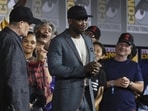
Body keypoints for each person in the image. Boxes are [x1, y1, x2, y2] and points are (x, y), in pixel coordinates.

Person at [47, 5, 101, 111]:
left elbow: (91, 63)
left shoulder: (88, 40)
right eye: (80, 20)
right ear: (70, 21)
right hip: (67, 96)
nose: (84, 23)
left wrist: (94, 69)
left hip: (87, 95)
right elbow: (54, 68)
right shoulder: (58, 41)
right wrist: (83, 69)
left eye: (85, 19)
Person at [0, 6, 41, 111]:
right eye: (29, 24)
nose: (30, 27)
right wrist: (16, 107)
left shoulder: (4, 37)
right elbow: (13, 78)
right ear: (21, 23)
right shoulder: (11, 42)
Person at [99, 33, 144, 111]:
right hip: (107, 107)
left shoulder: (134, 65)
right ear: (116, 46)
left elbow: (140, 88)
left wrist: (129, 83)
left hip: (128, 108)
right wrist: (114, 82)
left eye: (126, 46)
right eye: (121, 44)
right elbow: (98, 85)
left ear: (130, 50)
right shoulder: (104, 64)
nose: (123, 47)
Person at [22, 32, 53, 111]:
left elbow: (47, 82)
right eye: (26, 41)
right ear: (21, 43)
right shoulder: (15, 61)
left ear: (35, 45)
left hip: (36, 104)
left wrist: (42, 62)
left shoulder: (39, 63)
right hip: (20, 101)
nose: (29, 44)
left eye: (32, 42)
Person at [91, 41, 106, 111]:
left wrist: (92, 106)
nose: (94, 52)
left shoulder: (101, 72)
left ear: (102, 56)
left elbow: (100, 94)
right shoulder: (79, 68)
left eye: (98, 51)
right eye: (92, 50)